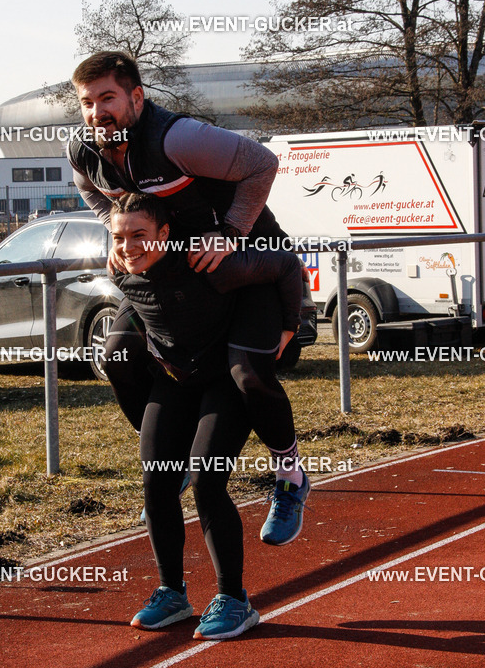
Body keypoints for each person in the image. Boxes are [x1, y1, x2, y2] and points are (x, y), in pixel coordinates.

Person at [67, 50, 310, 543]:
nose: (98, 112)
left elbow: (263, 163)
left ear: (136, 96)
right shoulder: (84, 150)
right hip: (174, 270)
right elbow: (90, 191)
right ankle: (171, 461)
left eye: (108, 98)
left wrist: (229, 233)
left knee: (246, 373)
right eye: (88, 102)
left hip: (244, 263)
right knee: (116, 356)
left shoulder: (176, 137)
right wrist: (117, 235)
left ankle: (290, 476)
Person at [109, 193, 305, 638]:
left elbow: (286, 264)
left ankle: (234, 599)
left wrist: (290, 324)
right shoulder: (121, 269)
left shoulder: (206, 263)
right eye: (119, 237)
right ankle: (172, 592)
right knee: (157, 477)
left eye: (139, 235)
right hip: (174, 377)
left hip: (224, 380)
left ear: (165, 234)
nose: (128, 246)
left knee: (206, 476)